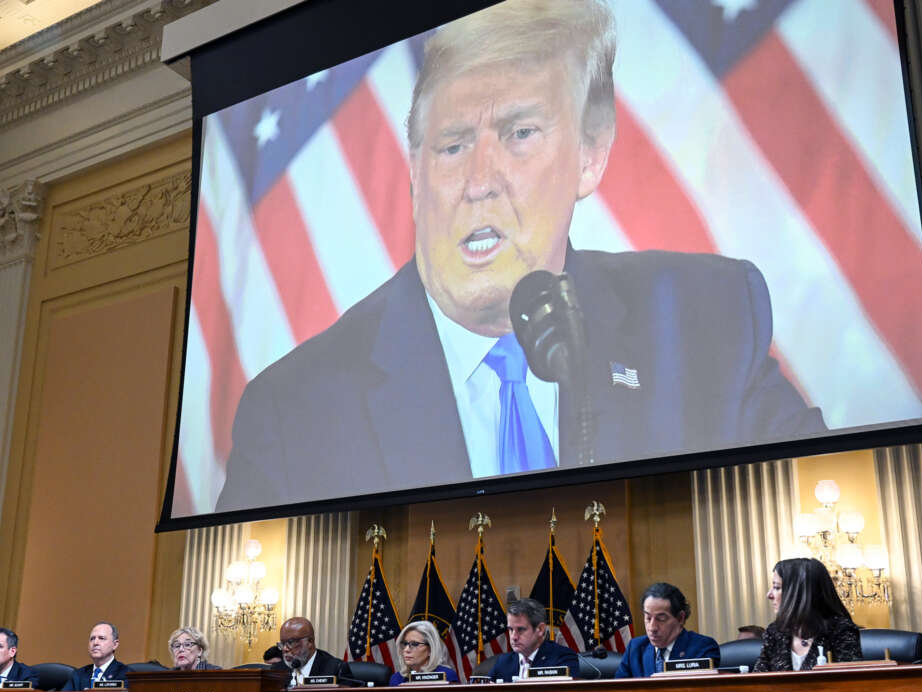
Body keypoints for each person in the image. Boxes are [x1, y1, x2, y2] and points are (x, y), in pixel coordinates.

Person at [215, 0, 824, 512]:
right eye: (452, 146)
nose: (479, 181)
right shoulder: (294, 412)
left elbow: (806, 495)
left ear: (591, 155)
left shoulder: (705, 321)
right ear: (414, 171)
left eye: (520, 134)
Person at [754, 557, 862, 671]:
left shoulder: (842, 631)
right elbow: (757, 681)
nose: (769, 595)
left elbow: (851, 683)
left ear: (798, 593)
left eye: (777, 587)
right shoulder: (774, 632)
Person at [615, 583, 721, 678]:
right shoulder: (635, 648)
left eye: (661, 619)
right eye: (648, 618)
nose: (652, 628)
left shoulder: (702, 648)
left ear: (680, 618)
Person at [489, 598, 579, 682]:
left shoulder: (563, 658)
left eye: (520, 630)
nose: (513, 637)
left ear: (540, 629)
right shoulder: (503, 662)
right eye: (510, 629)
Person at [271, 617, 352, 686]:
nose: (285, 649)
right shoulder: (277, 670)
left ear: (310, 641)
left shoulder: (335, 669)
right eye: (282, 643)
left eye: (291, 642)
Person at [389, 620, 460, 685]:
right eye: (404, 644)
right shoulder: (396, 679)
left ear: (431, 649)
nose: (406, 649)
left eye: (414, 644)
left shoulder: (447, 675)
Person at [63, 622, 128, 691]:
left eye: (101, 638)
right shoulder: (78, 675)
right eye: (92, 639)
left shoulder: (126, 675)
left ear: (115, 644)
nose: (95, 643)